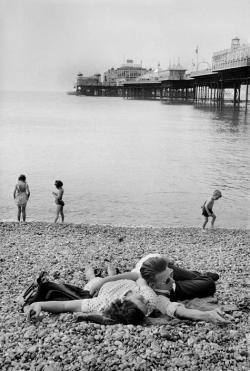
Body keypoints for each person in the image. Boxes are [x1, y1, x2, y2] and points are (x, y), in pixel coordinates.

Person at [26, 265, 228, 325]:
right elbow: (175, 309)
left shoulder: (100, 304)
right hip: (114, 284)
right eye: (144, 304)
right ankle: (101, 273)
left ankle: (100, 274)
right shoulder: (148, 298)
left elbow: (65, 307)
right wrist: (204, 315)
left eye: (139, 300)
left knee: (91, 285)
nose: (145, 300)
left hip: (108, 286)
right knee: (96, 281)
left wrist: (40, 306)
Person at [88, 253, 219, 302]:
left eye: (170, 275)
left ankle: (200, 274)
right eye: (167, 279)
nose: (171, 279)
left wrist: (171, 271)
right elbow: (126, 276)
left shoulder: (162, 264)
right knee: (208, 284)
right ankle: (202, 275)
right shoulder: (143, 279)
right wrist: (98, 283)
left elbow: (167, 262)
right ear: (152, 284)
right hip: (165, 282)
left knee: (194, 277)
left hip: (163, 263)